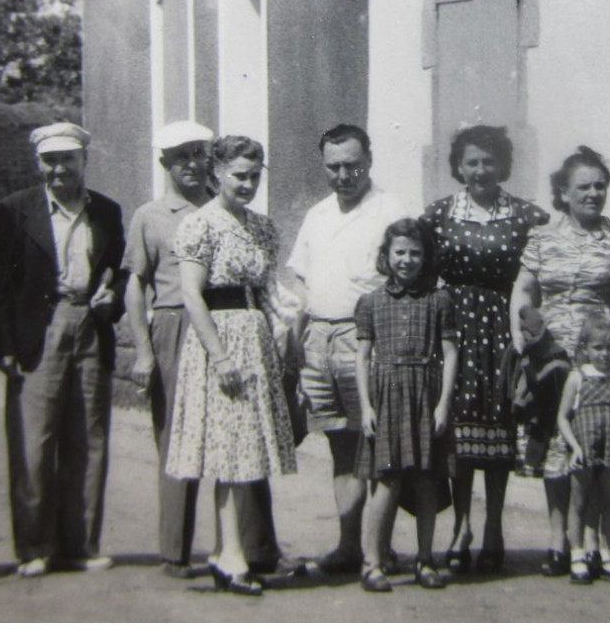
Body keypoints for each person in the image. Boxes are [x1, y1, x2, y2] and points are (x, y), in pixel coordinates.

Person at [123, 121, 281, 576]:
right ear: (165, 163)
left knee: (243, 435)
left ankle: (253, 547)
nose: (190, 163)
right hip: (177, 322)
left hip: (233, 323)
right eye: (180, 156)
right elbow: (135, 285)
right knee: (182, 435)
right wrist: (143, 351)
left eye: (197, 152)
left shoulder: (239, 213)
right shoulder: (152, 216)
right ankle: (176, 550)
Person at [0, 123, 125, 577]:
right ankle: (34, 547)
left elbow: (117, 272)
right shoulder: (14, 210)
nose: (59, 168)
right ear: (38, 163)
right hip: (39, 331)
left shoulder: (106, 211)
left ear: (85, 159)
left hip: (90, 325)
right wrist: (2, 346)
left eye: (68, 158)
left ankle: (80, 545)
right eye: (50, 160)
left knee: (89, 438)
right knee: (35, 441)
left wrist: (113, 296)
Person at [164, 136, 297, 597]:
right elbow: (191, 295)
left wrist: (285, 342)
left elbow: (267, 292)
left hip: (255, 337)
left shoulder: (263, 227)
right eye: (239, 175)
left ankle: (228, 554)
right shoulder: (201, 225)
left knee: (245, 449)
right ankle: (231, 554)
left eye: (255, 176)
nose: (248, 184)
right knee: (227, 448)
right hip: (218, 340)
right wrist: (220, 357)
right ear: (217, 172)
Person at [510, 146, 610, 577]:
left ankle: (594, 544)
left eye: (600, 186)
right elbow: (524, 290)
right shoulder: (542, 238)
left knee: (594, 455)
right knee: (555, 451)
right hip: (551, 360)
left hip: (598, 364)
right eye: (583, 187)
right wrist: (521, 340)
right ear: (563, 193)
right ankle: (558, 543)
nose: (593, 194)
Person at [419, 124, 548, 574]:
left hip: (501, 331)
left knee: (498, 434)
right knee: (457, 435)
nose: (480, 170)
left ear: (503, 165)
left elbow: (538, 280)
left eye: (488, 161)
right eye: (471, 162)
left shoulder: (528, 216)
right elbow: (419, 275)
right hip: (453, 334)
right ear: (458, 166)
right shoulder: (436, 216)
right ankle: (462, 527)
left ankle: (493, 526)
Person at [283, 124, 410, 575]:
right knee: (340, 446)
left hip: (366, 342)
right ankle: (348, 546)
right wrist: (294, 346)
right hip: (319, 339)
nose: (344, 174)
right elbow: (300, 282)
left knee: (375, 446)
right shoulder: (317, 214)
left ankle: (380, 550)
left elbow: (406, 280)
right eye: (334, 166)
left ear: (369, 161)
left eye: (352, 165)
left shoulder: (390, 211)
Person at [353, 219, 458, 594]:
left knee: (428, 481)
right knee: (387, 482)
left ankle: (425, 559)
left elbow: (450, 353)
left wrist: (444, 405)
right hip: (388, 398)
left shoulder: (439, 300)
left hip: (426, 398)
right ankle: (372, 562)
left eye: (415, 253)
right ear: (386, 255)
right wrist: (366, 407)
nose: (407, 260)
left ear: (426, 257)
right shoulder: (370, 302)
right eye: (399, 252)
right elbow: (363, 358)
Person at [555, 310, 610, 586]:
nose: (604, 354)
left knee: (608, 502)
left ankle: (609, 556)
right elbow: (562, 417)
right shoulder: (577, 378)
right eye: (598, 347)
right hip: (583, 450)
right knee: (578, 503)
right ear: (586, 349)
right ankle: (578, 555)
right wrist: (575, 446)